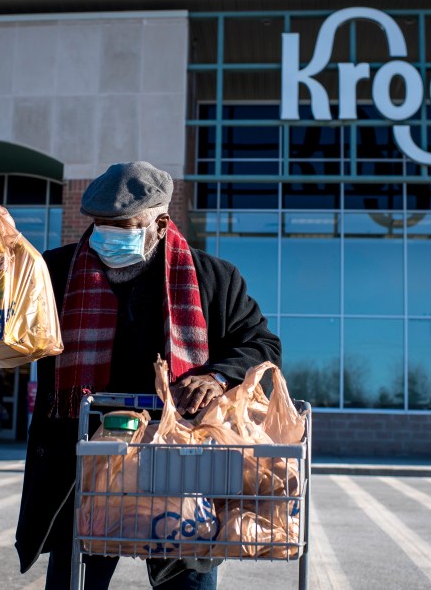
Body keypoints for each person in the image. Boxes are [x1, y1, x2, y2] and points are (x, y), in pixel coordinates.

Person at [15, 161, 281, 589]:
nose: (109, 236)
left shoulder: (213, 277)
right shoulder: (57, 271)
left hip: (179, 463)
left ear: (161, 223)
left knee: (186, 584)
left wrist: (216, 377)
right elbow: (18, 332)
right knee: (74, 580)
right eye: (101, 225)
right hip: (84, 463)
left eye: (125, 226)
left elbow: (262, 345)